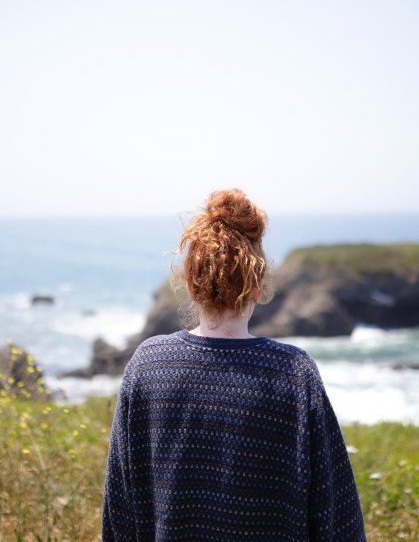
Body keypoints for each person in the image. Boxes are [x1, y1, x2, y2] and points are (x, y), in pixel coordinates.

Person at [102, 189, 365, 541]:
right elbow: (336, 514)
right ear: (258, 287)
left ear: (192, 284)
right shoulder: (293, 372)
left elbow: (120, 506)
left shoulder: (148, 366)